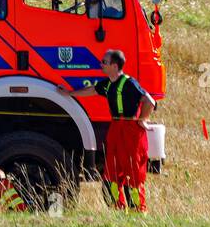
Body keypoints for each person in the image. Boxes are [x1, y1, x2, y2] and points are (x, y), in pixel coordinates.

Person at [57, 49, 155, 212]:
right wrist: (69, 94)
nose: (101, 64)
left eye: (104, 62)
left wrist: (142, 119)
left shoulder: (129, 83)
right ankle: (118, 207)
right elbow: (93, 90)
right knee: (112, 170)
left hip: (130, 129)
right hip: (116, 127)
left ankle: (138, 210)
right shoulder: (108, 84)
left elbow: (149, 101)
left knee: (133, 170)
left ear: (115, 66)